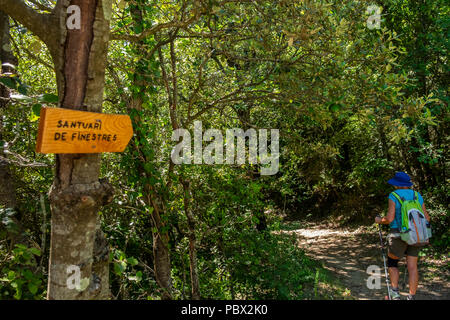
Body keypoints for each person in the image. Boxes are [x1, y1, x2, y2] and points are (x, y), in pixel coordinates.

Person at [375, 171, 430, 300]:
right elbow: (427, 218)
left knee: (393, 263)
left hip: (398, 234)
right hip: (416, 235)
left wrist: (379, 220)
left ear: (397, 184)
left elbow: (389, 218)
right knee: (412, 266)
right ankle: (411, 296)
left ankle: (395, 293)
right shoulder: (417, 195)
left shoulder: (393, 195)